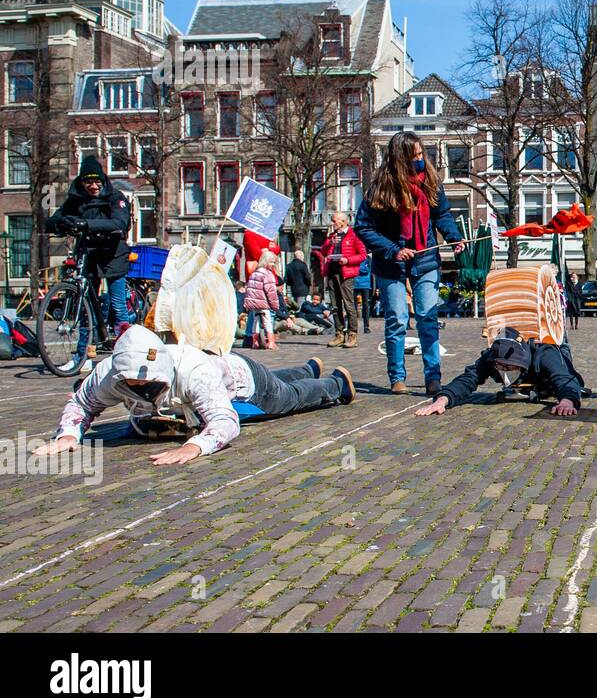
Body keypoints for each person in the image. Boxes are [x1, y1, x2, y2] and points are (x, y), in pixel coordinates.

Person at [31, 326, 355, 467]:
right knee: (283, 383)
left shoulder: (193, 371)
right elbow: (81, 403)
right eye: (135, 387)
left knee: (288, 398)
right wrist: (68, 435)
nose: (145, 392)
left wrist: (195, 446)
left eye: (153, 386)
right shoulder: (106, 374)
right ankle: (307, 367)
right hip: (221, 379)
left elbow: (225, 422)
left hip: (244, 383)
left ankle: (335, 384)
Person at [355, 131, 465, 396]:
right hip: (391, 264)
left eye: (421, 154)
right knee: (397, 319)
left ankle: (433, 377)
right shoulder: (380, 187)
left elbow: (442, 214)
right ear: (400, 158)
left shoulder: (430, 182)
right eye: (414, 156)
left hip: (426, 259)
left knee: (428, 317)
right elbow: (363, 228)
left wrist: (453, 237)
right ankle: (397, 376)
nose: (419, 159)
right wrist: (393, 250)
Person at [46, 156, 131, 354]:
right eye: (88, 182)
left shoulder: (115, 197)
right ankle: (84, 351)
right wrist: (61, 223)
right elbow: (54, 219)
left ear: (102, 181)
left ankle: (126, 349)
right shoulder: (76, 200)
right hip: (88, 253)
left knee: (118, 304)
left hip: (113, 254)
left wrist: (86, 224)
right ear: (81, 182)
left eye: (96, 181)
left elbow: (119, 222)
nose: (93, 186)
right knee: (85, 307)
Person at [416, 326, 583, 418]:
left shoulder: (545, 355)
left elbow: (565, 378)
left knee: (564, 363)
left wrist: (567, 400)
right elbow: (468, 379)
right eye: (500, 368)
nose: (505, 372)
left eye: (510, 368)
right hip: (522, 382)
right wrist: (442, 400)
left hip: (549, 374)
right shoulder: (492, 357)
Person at [313, 212, 367, 349]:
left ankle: (352, 334)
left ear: (343, 222)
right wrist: (330, 243)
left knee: (349, 305)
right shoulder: (332, 236)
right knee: (335, 305)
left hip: (346, 274)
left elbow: (362, 255)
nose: (333, 224)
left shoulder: (353, 236)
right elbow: (324, 251)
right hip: (332, 272)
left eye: (335, 221)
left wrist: (348, 260)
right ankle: (339, 334)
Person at [242, 251, 281, 350]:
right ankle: (271, 342)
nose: (273, 265)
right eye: (271, 262)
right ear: (266, 261)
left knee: (256, 322)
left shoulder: (254, 273)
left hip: (254, 304)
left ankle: (255, 342)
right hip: (263, 303)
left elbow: (249, 289)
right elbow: (271, 292)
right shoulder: (267, 274)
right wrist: (275, 305)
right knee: (267, 322)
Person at [353, 255, 373, 334]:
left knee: (366, 306)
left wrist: (356, 268)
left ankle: (366, 326)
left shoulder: (367, 259)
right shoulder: (354, 258)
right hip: (354, 284)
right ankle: (353, 326)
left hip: (365, 284)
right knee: (353, 307)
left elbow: (367, 270)